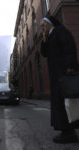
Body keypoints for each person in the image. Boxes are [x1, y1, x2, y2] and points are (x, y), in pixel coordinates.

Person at [40, 15, 79, 144]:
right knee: (59, 103)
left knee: (65, 103)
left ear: (50, 23)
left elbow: (70, 48)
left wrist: (69, 66)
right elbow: (44, 54)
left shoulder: (60, 31)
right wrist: (44, 40)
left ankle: (69, 132)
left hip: (63, 73)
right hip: (56, 76)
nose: (42, 27)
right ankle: (66, 130)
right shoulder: (50, 36)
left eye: (43, 25)